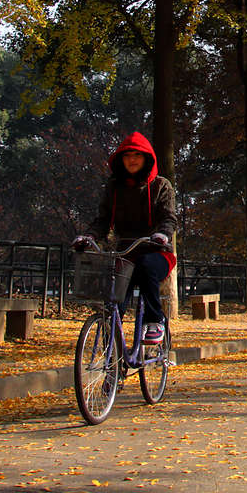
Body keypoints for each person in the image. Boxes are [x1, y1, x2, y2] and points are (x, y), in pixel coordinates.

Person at [73, 132, 177, 345]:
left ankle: (154, 321)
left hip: (156, 251)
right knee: (114, 300)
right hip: (125, 252)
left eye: (137, 155)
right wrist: (89, 237)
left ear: (147, 158)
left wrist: (163, 234)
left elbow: (168, 217)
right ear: (120, 159)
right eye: (127, 155)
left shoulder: (161, 186)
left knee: (146, 266)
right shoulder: (114, 187)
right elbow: (103, 219)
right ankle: (113, 355)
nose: (132, 160)